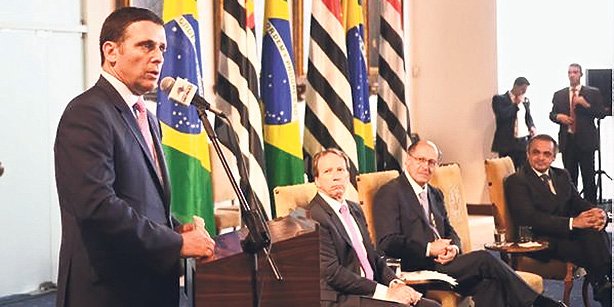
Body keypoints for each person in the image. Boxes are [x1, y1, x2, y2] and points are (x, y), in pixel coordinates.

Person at [54, 7, 215, 307]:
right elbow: (98, 206)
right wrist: (177, 243)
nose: (158, 57)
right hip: (108, 290)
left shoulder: (147, 117)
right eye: (146, 46)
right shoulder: (88, 112)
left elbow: (143, 199)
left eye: (162, 48)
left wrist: (176, 227)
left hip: (148, 283)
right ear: (111, 51)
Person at [373, 140, 566, 307]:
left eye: (432, 162)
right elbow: (387, 242)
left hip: (444, 264)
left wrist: (454, 249)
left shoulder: (434, 193)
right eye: (420, 160)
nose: (426, 166)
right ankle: (538, 302)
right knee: (483, 258)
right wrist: (429, 248)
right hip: (414, 267)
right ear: (408, 159)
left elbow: (449, 230)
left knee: (491, 284)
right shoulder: (391, 192)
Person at [307, 149, 440, 307]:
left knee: (431, 306)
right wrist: (385, 293)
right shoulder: (314, 216)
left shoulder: (354, 209)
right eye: (328, 171)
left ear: (348, 176)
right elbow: (332, 273)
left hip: (370, 289)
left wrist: (395, 283)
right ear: (317, 180)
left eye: (340, 170)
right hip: (341, 297)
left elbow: (373, 256)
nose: (336, 176)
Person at [504, 134, 612, 306]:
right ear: (528, 154)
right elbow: (528, 218)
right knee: (590, 245)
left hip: (565, 234)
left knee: (595, 231)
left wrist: (599, 215)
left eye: (547, 154)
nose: (541, 158)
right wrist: (572, 222)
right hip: (539, 240)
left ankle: (603, 284)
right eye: (536, 152)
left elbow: (578, 202)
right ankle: (604, 285)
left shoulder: (561, 175)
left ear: (554, 157)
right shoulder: (517, 181)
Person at [549, 63, 606, 204]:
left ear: (580, 74)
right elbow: (552, 114)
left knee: (588, 177)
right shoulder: (559, 94)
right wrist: (558, 117)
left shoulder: (593, 92)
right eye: (569, 72)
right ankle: (571, 208)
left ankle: (591, 208)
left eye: (575, 72)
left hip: (586, 142)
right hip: (568, 141)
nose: (572, 75)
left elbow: (601, 113)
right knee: (569, 177)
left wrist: (586, 105)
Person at [491, 76, 536, 169]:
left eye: (525, 90)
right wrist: (516, 105)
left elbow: (528, 117)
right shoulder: (499, 99)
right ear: (515, 86)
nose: (523, 92)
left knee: (524, 171)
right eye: (522, 89)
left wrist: (531, 126)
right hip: (507, 143)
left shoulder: (525, 101)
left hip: (522, 142)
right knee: (507, 171)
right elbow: (502, 116)